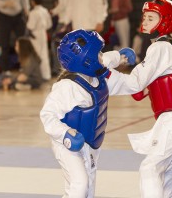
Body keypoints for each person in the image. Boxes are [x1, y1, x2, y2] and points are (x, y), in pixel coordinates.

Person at [105, 0, 172, 197]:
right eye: (144, 17)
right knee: (167, 172)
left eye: (151, 18)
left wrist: (105, 72)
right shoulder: (164, 47)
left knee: (150, 168)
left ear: (164, 22)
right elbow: (141, 88)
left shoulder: (159, 48)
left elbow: (134, 84)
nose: (145, 22)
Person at [40, 29, 131, 197]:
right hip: (66, 143)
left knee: (88, 186)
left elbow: (106, 59)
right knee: (79, 183)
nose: (101, 57)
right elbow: (47, 115)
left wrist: (120, 57)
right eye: (98, 53)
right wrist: (65, 134)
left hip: (89, 142)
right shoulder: (66, 87)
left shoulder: (95, 77)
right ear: (85, 60)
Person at [0, 0, 30, 72]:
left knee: (23, 42)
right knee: (4, 43)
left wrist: (27, 9)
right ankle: (5, 69)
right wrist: (4, 4)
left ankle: (25, 67)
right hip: (4, 15)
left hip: (18, 14)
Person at [27, 0, 52, 81]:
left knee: (36, 55)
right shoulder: (45, 11)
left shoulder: (33, 12)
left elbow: (30, 26)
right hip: (43, 33)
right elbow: (49, 25)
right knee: (44, 54)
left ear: (33, 2)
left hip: (35, 35)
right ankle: (46, 75)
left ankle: (37, 75)